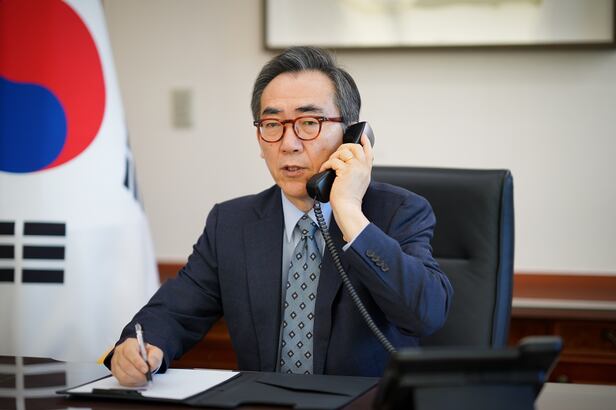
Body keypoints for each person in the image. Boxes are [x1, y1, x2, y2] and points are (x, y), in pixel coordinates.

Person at [106, 46, 453, 386]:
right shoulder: (231, 224)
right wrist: (140, 347)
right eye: (272, 124)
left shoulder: (399, 212)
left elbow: (427, 313)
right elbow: (175, 311)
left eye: (309, 123)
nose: (288, 144)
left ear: (351, 136)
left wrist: (349, 213)